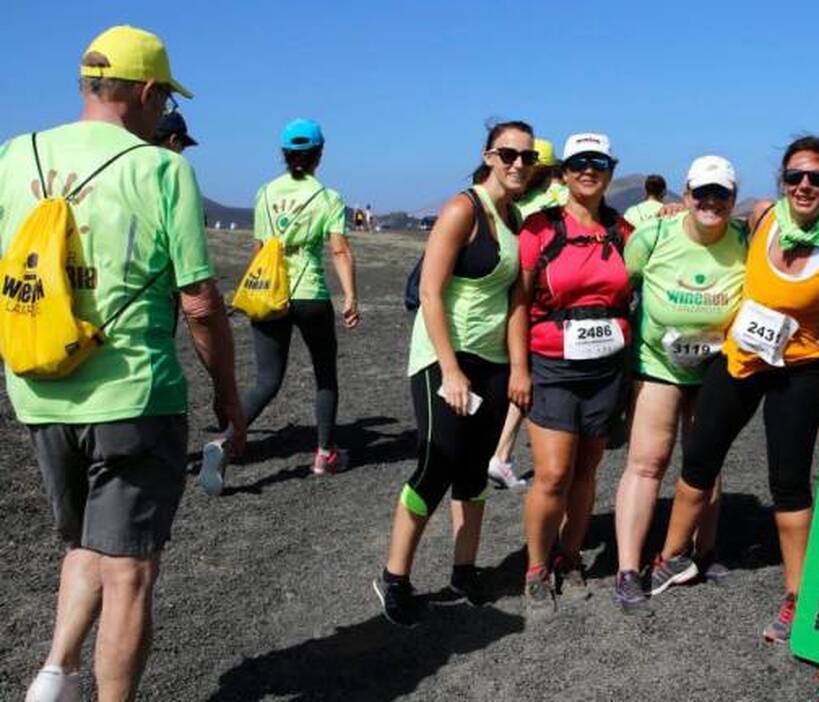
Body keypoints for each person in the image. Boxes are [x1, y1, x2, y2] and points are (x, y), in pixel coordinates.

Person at [1, 25, 246, 702]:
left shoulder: (15, 154)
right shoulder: (163, 169)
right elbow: (200, 303)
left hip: (39, 388)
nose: (165, 110)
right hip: (133, 394)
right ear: (145, 92)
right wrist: (227, 394)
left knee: (85, 543)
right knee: (130, 572)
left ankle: (56, 676)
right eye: (165, 98)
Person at [651, 135, 819, 643]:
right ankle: (672, 556)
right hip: (741, 358)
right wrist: (671, 214)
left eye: (816, 177)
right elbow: (711, 226)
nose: (805, 185)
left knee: (788, 482)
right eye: (795, 176)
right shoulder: (762, 215)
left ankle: (798, 596)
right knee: (699, 458)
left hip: (799, 371)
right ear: (783, 181)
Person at [374, 121, 536, 626]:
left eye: (527, 157)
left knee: (473, 470)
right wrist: (450, 370)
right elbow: (429, 291)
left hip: (492, 361)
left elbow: (516, 302)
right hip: (443, 357)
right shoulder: (462, 210)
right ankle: (394, 579)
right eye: (508, 154)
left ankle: (464, 572)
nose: (518, 164)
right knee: (436, 465)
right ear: (489, 156)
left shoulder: (516, 217)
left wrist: (519, 368)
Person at [612, 156, 747, 613]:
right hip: (658, 363)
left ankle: (703, 552)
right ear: (686, 195)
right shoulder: (653, 236)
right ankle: (628, 569)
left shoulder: (745, 240)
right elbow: (622, 286)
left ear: (733, 198)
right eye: (702, 192)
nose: (711, 201)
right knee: (647, 462)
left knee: (706, 460)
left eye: (721, 193)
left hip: (715, 367)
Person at [509, 133, 634, 620]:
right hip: (553, 365)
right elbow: (518, 303)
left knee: (585, 471)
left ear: (609, 170)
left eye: (598, 162)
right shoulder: (539, 228)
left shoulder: (623, 231)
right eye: (579, 162)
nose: (588, 170)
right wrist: (519, 369)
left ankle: (570, 555)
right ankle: (536, 568)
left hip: (607, 368)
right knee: (553, 473)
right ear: (563, 172)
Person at [241, 119, 358, 476]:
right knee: (325, 375)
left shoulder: (264, 193)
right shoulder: (327, 198)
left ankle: (226, 439)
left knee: (266, 381)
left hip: (269, 292)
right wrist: (350, 296)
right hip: (310, 296)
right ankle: (325, 454)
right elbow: (339, 250)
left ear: (284, 154)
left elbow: (259, 250)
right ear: (319, 155)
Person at [487, 137, 569, 491]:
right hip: (541, 305)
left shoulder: (513, 203)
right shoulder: (556, 201)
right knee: (527, 378)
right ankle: (501, 453)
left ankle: (499, 451)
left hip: (505, 301)